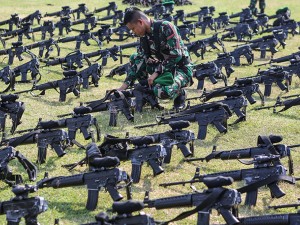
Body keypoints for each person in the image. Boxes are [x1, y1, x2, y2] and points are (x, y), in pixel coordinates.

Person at [117, 7, 193, 110]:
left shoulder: (166, 27)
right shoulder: (144, 36)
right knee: (135, 58)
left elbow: (176, 55)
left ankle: (180, 93)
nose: (133, 32)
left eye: (133, 29)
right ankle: (148, 95)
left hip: (181, 69)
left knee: (162, 91)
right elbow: (140, 60)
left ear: (140, 22)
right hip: (165, 69)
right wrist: (123, 87)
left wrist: (156, 73)